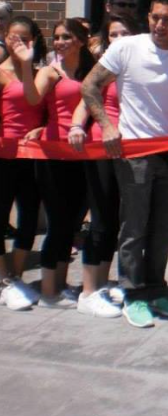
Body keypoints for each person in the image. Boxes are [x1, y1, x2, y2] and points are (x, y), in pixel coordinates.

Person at [80, 0, 168, 328]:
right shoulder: (126, 47)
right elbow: (89, 86)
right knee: (134, 227)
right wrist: (106, 125)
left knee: (162, 228)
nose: (160, 24)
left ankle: (156, 290)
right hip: (134, 152)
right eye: (156, 17)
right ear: (148, 18)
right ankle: (131, 294)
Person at [11, 19, 96, 308]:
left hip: (81, 155)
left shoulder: (90, 70)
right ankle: (48, 292)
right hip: (52, 156)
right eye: (56, 37)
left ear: (81, 41)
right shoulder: (50, 71)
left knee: (70, 225)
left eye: (66, 37)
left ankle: (59, 283)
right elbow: (33, 98)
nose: (59, 41)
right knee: (58, 223)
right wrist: (25, 64)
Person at [68, 15, 138, 318]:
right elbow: (86, 96)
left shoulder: (133, 64)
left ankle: (100, 283)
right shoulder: (106, 67)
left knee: (114, 220)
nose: (119, 38)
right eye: (113, 34)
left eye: (124, 33)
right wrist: (76, 125)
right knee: (101, 218)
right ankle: (87, 291)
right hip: (102, 144)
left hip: (128, 148)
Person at [0, 16, 46, 310]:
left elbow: (39, 107)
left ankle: (15, 277)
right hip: (3, 155)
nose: (18, 43)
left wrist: (42, 129)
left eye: (25, 39)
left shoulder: (40, 73)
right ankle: (5, 279)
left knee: (29, 221)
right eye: (13, 37)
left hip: (33, 156)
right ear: (4, 37)